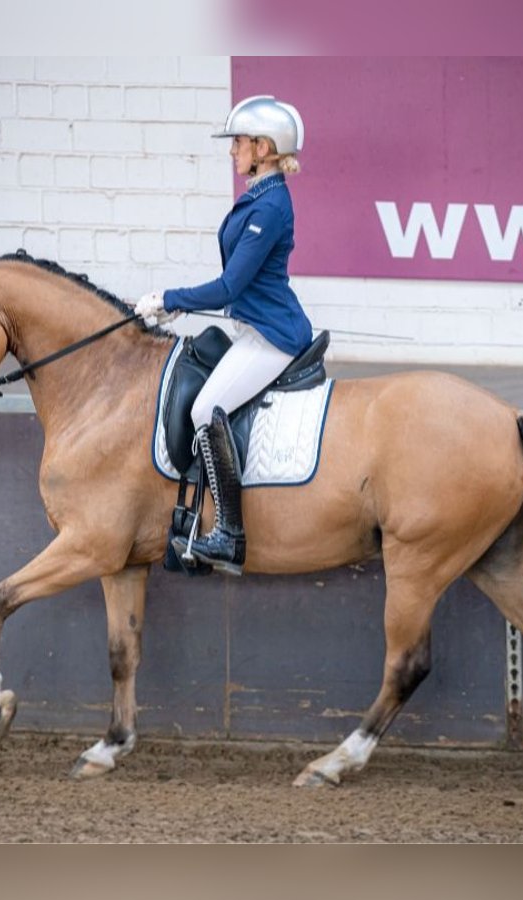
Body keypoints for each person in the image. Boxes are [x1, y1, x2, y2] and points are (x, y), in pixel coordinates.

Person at [133, 95, 314, 576]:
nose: (231, 151)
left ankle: (229, 534)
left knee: (203, 409)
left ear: (263, 147)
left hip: (274, 336)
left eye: (238, 142)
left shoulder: (271, 205)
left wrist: (170, 299)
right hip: (254, 328)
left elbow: (231, 285)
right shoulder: (258, 195)